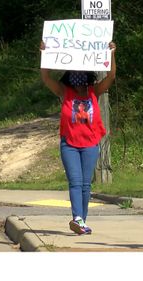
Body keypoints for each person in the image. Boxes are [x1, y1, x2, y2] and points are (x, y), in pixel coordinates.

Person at [40, 41, 116, 235]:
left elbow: (111, 75)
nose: (79, 80)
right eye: (75, 75)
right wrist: (45, 55)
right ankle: (77, 218)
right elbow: (46, 77)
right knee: (75, 181)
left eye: (82, 75)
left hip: (90, 144)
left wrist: (111, 54)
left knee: (85, 184)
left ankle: (82, 220)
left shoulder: (95, 92)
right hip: (70, 144)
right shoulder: (64, 92)